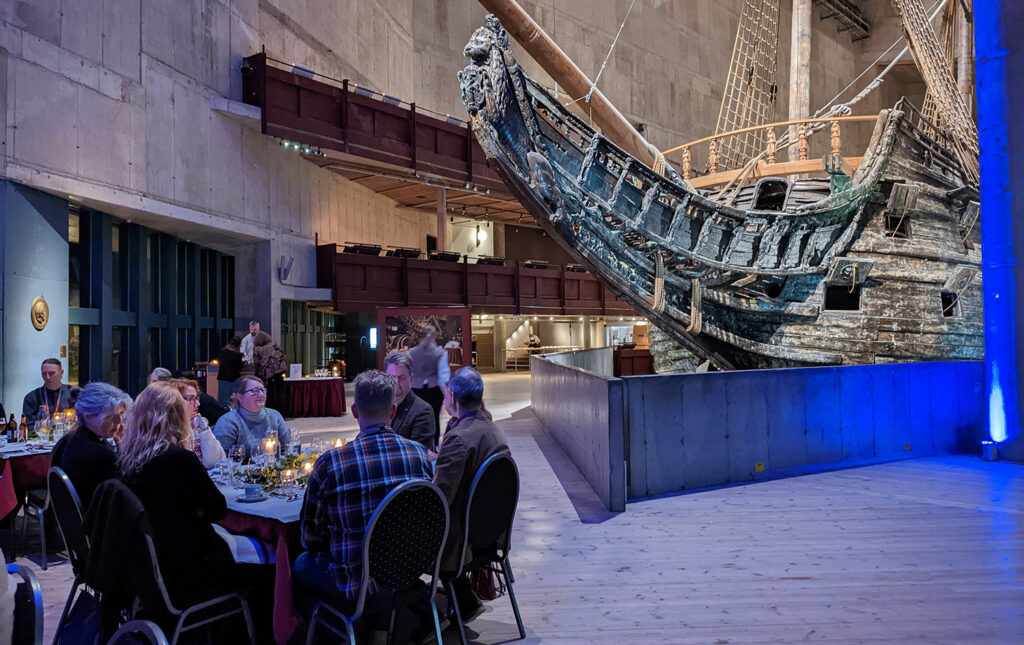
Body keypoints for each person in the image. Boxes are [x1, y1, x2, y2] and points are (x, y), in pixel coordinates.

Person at [295, 370, 432, 604]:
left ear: (354, 411)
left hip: (355, 582)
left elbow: (310, 536)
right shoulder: (419, 455)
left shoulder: (331, 463)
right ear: (392, 411)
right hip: (408, 569)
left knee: (299, 562)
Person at [116, 382, 239, 605]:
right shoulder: (179, 459)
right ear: (176, 417)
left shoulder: (127, 458)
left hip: (145, 565)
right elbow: (217, 509)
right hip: (189, 564)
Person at [433, 367, 510, 622]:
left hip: (461, 540)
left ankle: (415, 613)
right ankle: (462, 598)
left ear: (453, 398)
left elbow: (439, 501)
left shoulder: (459, 439)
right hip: (491, 532)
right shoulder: (493, 430)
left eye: (446, 396)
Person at [51, 382, 132, 510]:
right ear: (88, 417)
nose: (119, 422)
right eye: (112, 416)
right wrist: (124, 445)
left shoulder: (73, 438)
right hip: (98, 521)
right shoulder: (97, 453)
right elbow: (128, 486)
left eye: (121, 414)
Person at [213, 375, 290, 460]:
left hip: (272, 470)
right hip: (239, 471)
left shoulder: (274, 416)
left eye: (263, 390)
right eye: (255, 391)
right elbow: (221, 459)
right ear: (240, 397)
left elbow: (286, 449)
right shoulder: (228, 422)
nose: (261, 394)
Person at [407, 325, 450, 447]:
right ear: (435, 336)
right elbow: (443, 376)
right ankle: (434, 446)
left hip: (416, 388)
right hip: (434, 389)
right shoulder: (440, 353)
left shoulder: (412, 353)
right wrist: (446, 393)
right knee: (434, 417)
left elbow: (409, 372)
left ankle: (416, 445)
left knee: (416, 416)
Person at [384, 351, 436, 451]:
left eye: (401, 377)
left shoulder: (422, 411)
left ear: (411, 378)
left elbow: (419, 455)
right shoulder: (378, 404)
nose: (396, 382)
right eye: (391, 377)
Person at [170, 378, 226, 469]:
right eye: (191, 399)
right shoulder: (168, 430)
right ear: (174, 401)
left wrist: (204, 432)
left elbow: (214, 463)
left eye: (196, 398)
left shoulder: (199, 423)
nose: (198, 403)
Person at [21, 358, 72, 426]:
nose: (47, 377)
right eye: (44, 374)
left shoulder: (73, 394)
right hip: (41, 435)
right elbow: (28, 426)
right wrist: (49, 424)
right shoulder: (32, 397)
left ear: (61, 373)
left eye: (51, 373)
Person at [215, 335, 245, 407]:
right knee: (233, 399)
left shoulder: (222, 351)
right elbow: (240, 367)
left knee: (222, 399)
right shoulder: (237, 355)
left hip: (222, 377)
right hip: (233, 378)